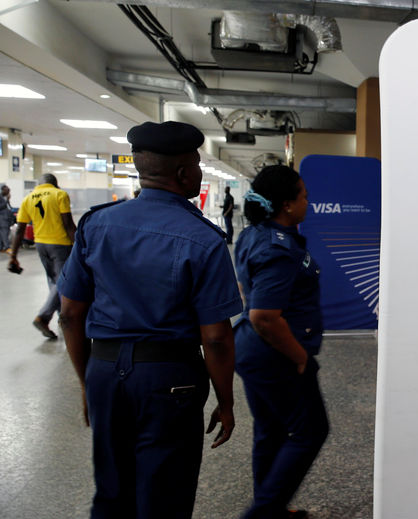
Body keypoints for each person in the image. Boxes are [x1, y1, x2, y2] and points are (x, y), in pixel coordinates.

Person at [57, 121, 243, 519]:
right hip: (169, 378)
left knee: (110, 493)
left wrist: (87, 382)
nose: (197, 170)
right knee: (164, 498)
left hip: (104, 371)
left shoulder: (96, 224)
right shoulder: (204, 239)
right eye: (195, 163)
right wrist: (225, 400)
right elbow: (215, 338)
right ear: (182, 172)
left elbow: (71, 314)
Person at [234, 165, 329, 519]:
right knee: (310, 430)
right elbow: (265, 317)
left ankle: (270, 509)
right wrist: (300, 357)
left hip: (251, 351)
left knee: (270, 430)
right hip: (274, 354)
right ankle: (262, 513)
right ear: (287, 205)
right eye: (304, 195)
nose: (309, 201)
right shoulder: (278, 249)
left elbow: (248, 292)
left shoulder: (253, 234)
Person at [8, 174, 76, 339]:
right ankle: (44, 316)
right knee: (62, 281)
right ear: (55, 184)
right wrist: (79, 246)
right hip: (60, 243)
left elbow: (20, 229)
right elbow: (67, 223)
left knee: (53, 280)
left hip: (40, 244)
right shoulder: (59, 194)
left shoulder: (28, 198)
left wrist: (13, 256)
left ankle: (61, 316)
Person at [0, 183, 11, 252]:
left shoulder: (4, 197)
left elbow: (8, 207)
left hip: (6, 217)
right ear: (2, 189)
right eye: (6, 188)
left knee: (2, 233)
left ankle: (1, 247)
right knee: (4, 232)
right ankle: (7, 247)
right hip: (2, 218)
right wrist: (7, 200)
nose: (8, 190)